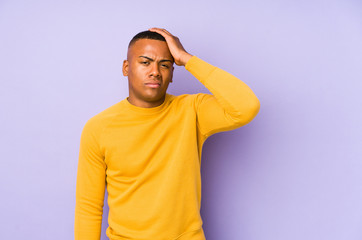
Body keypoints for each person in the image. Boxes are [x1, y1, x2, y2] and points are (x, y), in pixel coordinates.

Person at [74, 27, 260, 240]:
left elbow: (246, 107)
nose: (155, 71)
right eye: (145, 62)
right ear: (126, 68)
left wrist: (187, 59)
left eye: (165, 65)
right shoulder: (98, 128)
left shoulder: (193, 110)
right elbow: (88, 207)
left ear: (172, 74)